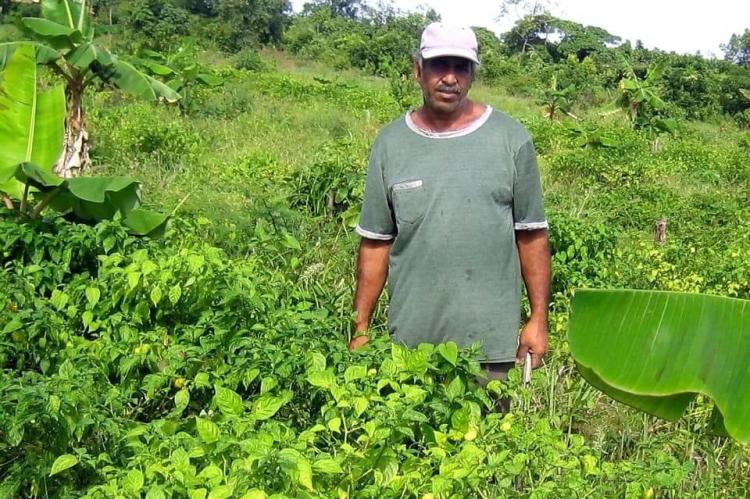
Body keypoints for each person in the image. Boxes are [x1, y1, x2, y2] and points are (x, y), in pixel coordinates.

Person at [348, 22, 551, 385]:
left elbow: (531, 235)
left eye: (461, 67)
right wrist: (361, 326)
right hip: (410, 351)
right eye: (440, 65)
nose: (450, 78)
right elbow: (376, 242)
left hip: (487, 350)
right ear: (417, 70)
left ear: (472, 74)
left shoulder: (510, 139)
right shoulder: (391, 144)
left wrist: (538, 319)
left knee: (487, 440)